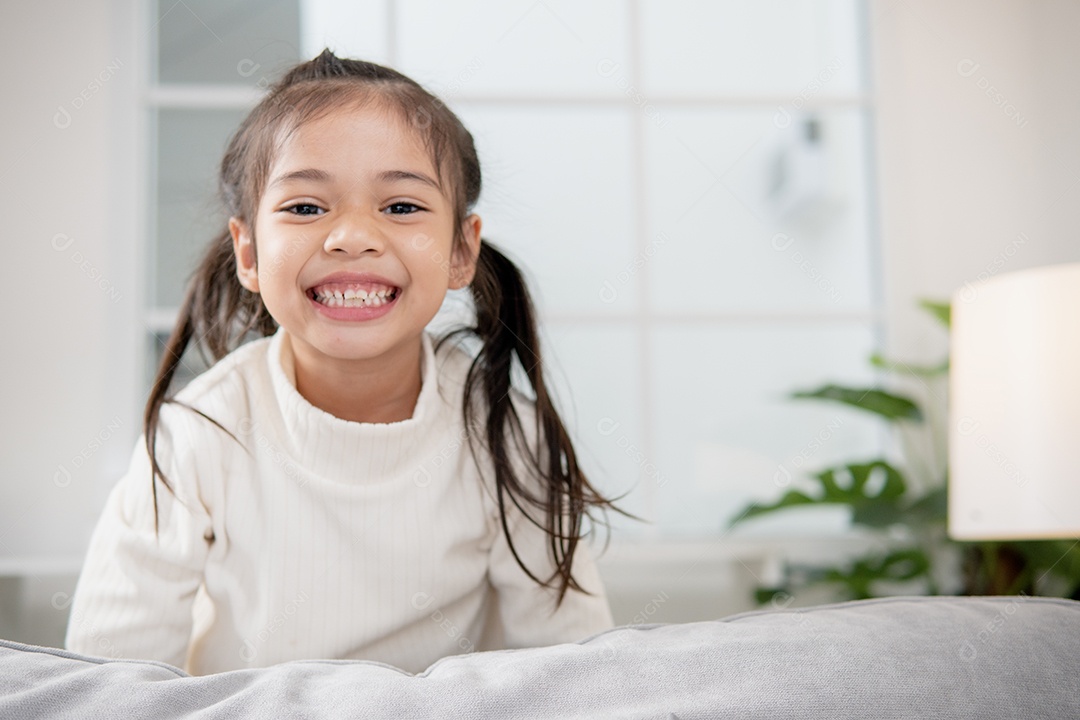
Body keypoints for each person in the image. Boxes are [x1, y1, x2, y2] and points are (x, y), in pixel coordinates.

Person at [64, 49, 633, 676]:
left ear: (459, 252)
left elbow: (576, 674)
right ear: (248, 253)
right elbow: (108, 679)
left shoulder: (506, 435)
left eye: (401, 206)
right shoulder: (196, 436)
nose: (352, 236)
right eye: (306, 207)